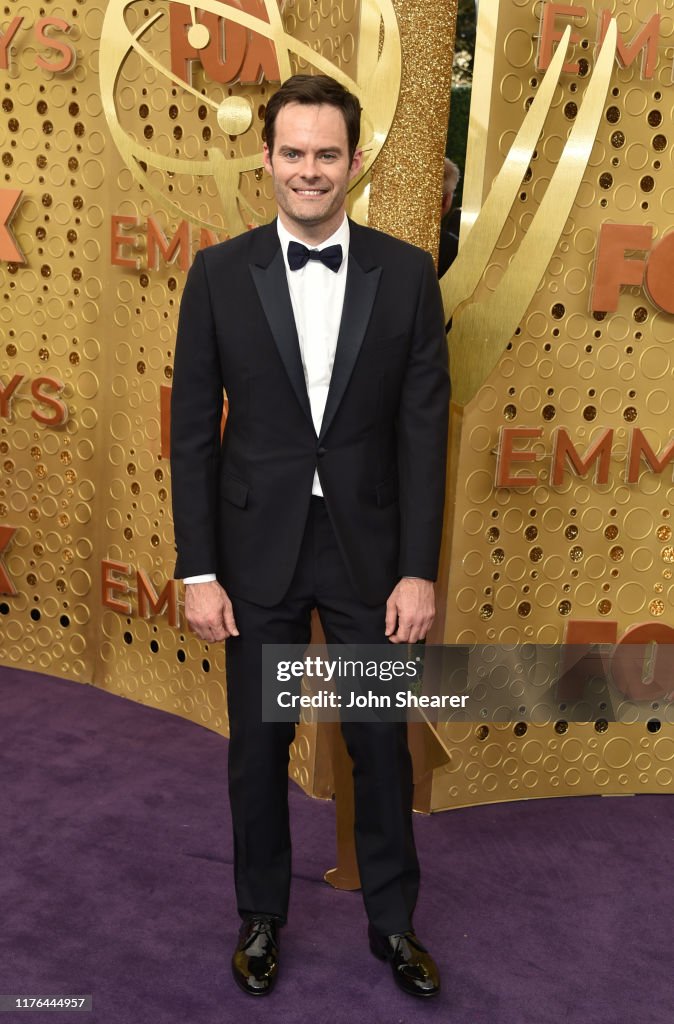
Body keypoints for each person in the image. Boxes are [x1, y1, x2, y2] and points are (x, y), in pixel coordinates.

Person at [170, 74, 450, 1000]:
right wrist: (199, 569)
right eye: (293, 152)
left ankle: (395, 923)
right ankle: (260, 918)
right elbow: (192, 435)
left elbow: (422, 432)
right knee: (258, 741)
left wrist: (417, 571)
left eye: (327, 154)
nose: (309, 170)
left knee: (380, 741)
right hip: (256, 557)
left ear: (354, 163)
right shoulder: (218, 273)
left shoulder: (407, 275)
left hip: (369, 556)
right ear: (268, 159)